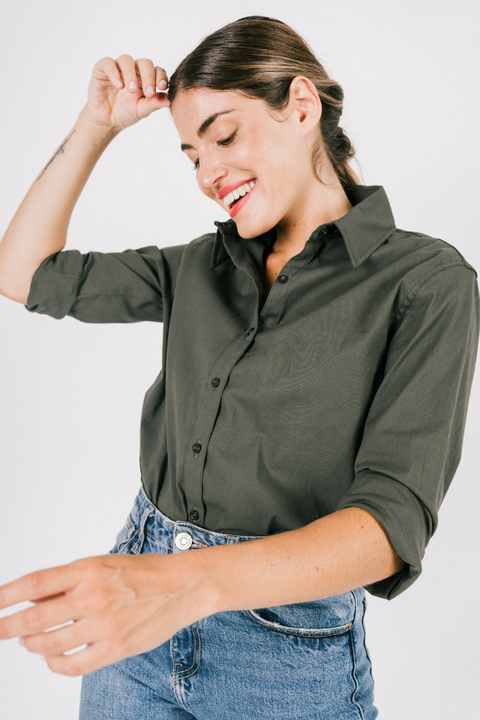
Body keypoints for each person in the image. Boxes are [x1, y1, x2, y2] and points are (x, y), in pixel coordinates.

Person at [0, 14, 478, 720]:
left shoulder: (426, 282)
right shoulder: (198, 266)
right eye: (191, 155)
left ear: (303, 105)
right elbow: (24, 273)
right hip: (137, 617)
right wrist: (95, 124)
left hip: (283, 650)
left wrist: (185, 585)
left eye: (223, 136)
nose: (208, 174)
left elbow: (389, 524)